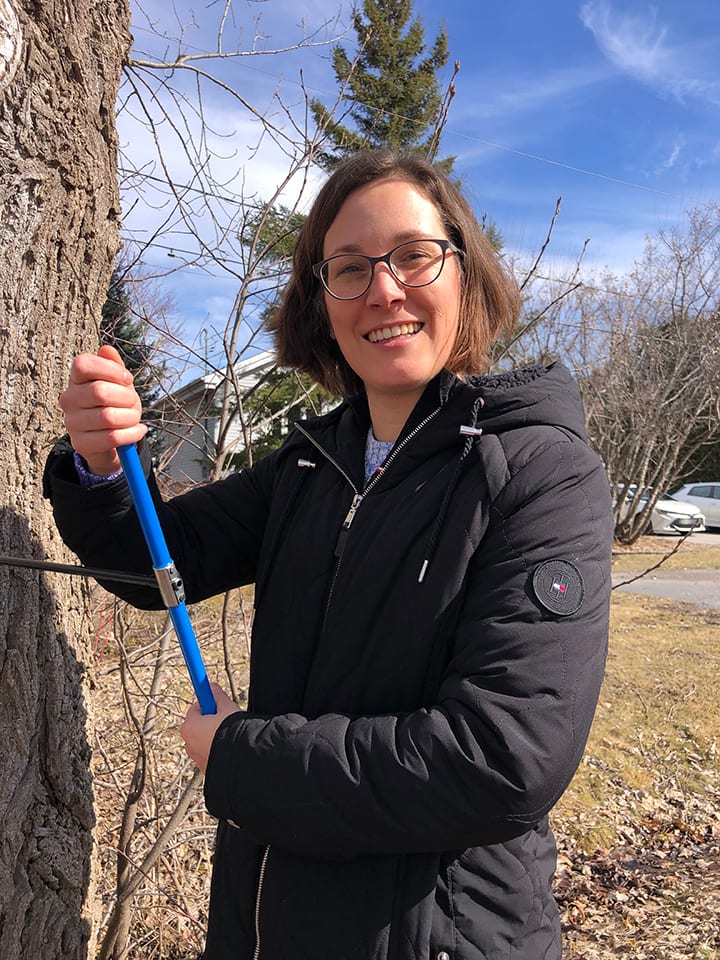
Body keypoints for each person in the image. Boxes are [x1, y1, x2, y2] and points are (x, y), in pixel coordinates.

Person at [44, 149, 614, 960]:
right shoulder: (311, 465)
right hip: (267, 920)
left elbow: (503, 760)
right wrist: (100, 469)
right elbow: (156, 564)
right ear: (322, 301)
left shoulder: (540, 471)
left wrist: (244, 762)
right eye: (348, 268)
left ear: (464, 271)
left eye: (414, 256)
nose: (384, 290)